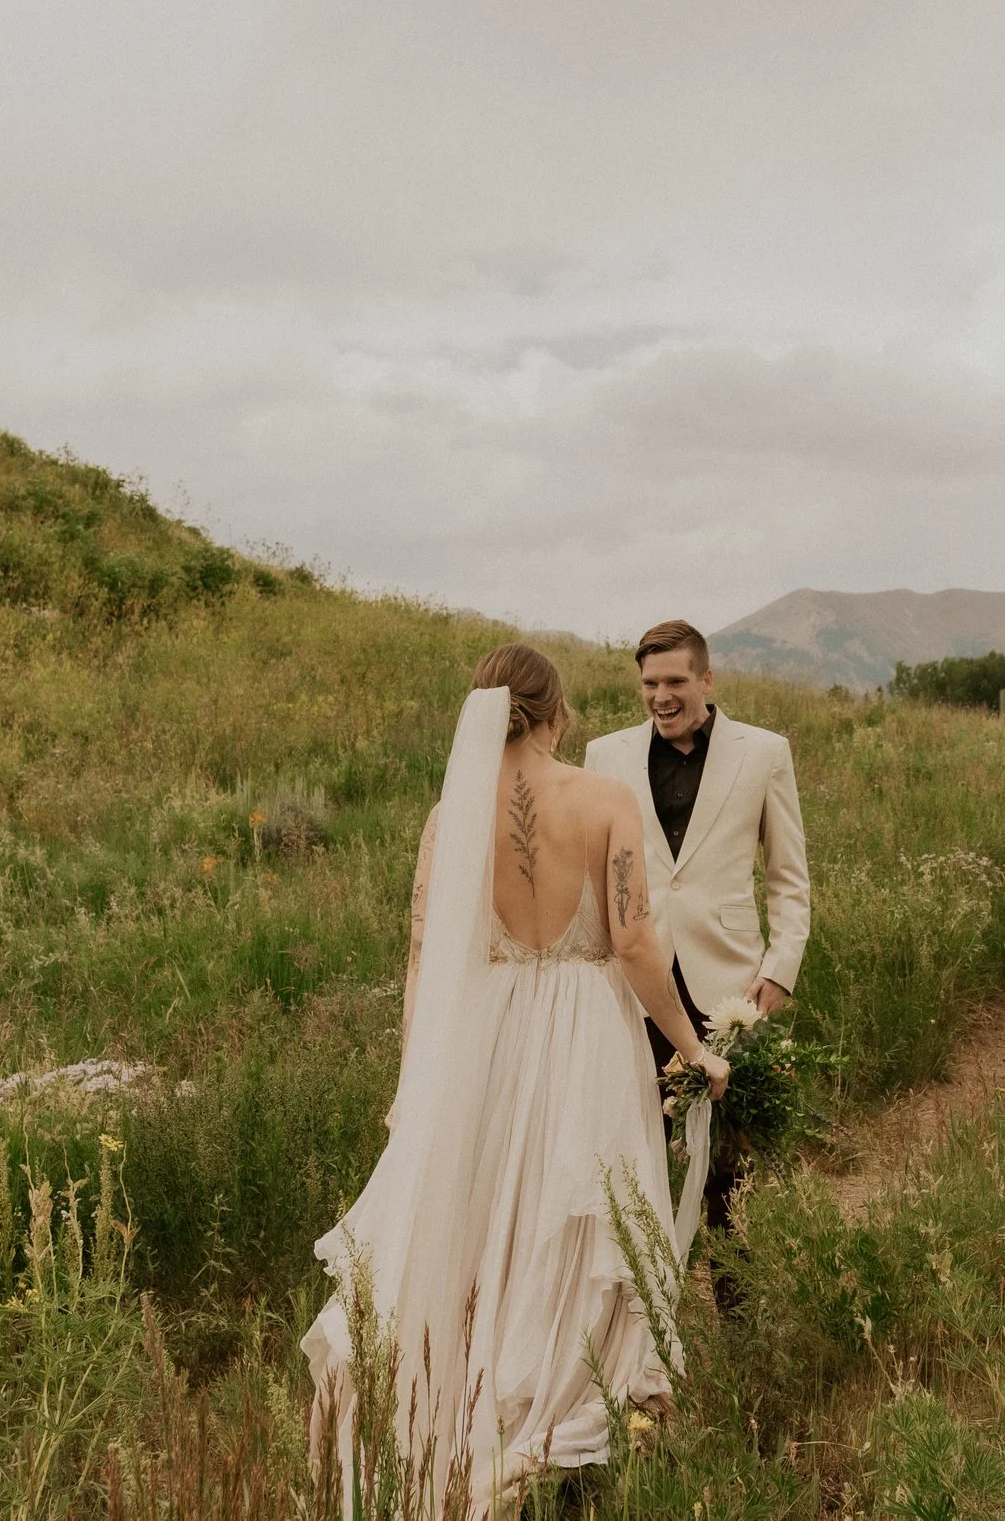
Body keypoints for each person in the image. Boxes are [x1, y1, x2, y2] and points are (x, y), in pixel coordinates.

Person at [301, 643, 729, 1515]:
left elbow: (423, 959)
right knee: (568, 1216)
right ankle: (557, 1408)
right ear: (557, 712)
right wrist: (694, 1048)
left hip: (485, 1040)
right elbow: (636, 943)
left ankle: (463, 1403)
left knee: (485, 1211)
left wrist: (415, 1083)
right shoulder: (606, 799)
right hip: (586, 1041)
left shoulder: (449, 816)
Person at [583, 620, 810, 1227]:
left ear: (706, 680)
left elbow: (788, 876)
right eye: (649, 684)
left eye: (675, 682)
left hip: (733, 983)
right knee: (637, 1142)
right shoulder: (605, 757)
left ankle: (733, 1282)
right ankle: (652, 1280)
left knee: (729, 1157)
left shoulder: (764, 753)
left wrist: (781, 968)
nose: (661, 697)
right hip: (636, 979)